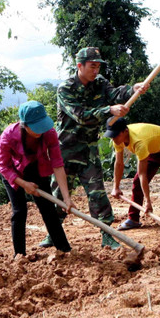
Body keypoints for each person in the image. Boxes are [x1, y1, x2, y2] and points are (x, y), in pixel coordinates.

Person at [43, 46, 146, 249]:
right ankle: (52, 234)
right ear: (79, 66)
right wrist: (109, 110)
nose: (96, 70)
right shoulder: (66, 88)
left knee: (97, 192)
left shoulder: (100, 83)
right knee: (58, 196)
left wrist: (133, 89)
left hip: (89, 149)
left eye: (98, 66)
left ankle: (107, 234)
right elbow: (80, 114)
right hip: (65, 149)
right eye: (92, 66)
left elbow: (115, 94)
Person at [0, 101, 75, 258]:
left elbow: (57, 165)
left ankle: (64, 249)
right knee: (19, 212)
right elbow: (4, 166)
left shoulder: (49, 133)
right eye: (35, 127)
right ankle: (19, 255)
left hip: (36, 168)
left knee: (49, 210)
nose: (40, 131)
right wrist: (24, 184)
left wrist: (66, 198)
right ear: (24, 125)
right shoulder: (8, 136)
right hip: (13, 172)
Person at [107, 119, 160, 229]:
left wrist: (148, 201)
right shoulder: (117, 140)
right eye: (112, 136)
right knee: (136, 182)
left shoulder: (139, 142)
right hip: (152, 150)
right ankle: (133, 219)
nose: (113, 138)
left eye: (115, 135)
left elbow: (142, 174)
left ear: (125, 131)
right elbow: (119, 163)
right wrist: (115, 187)